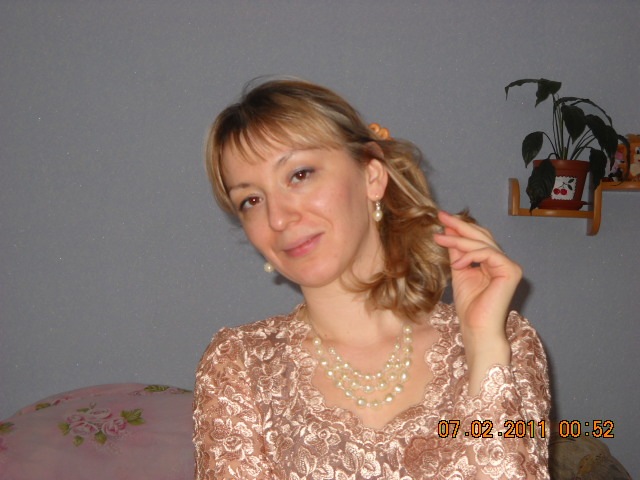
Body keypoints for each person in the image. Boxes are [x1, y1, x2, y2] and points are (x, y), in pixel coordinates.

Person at [193, 78, 550, 479]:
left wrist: (484, 349)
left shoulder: (508, 341)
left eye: (299, 174)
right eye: (251, 200)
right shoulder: (238, 365)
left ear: (372, 176)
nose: (278, 218)